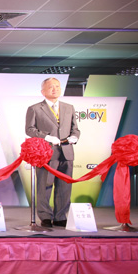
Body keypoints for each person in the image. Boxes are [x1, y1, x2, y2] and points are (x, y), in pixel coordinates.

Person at [25, 77, 80, 228]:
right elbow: (29, 130)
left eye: (57, 86)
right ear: (43, 91)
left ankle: (60, 216)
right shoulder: (35, 108)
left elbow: (75, 128)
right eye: (51, 87)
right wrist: (46, 137)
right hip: (46, 153)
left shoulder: (69, 107)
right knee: (45, 185)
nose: (54, 89)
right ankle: (45, 216)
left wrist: (75, 136)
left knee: (65, 186)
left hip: (66, 152)